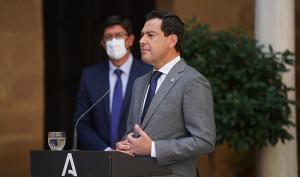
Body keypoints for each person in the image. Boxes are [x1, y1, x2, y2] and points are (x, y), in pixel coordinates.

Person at [116, 11, 216, 177]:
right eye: (142, 35)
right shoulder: (139, 82)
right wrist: (126, 143)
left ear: (172, 40)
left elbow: (204, 141)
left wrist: (153, 148)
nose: (142, 41)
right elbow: (132, 131)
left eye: (150, 35)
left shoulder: (193, 81)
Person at [74, 15, 151, 150]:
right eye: (108, 37)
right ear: (103, 44)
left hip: (138, 159)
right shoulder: (90, 76)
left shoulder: (149, 73)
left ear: (131, 40)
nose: (113, 41)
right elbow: (81, 124)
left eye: (119, 35)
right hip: (101, 160)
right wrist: (108, 152)